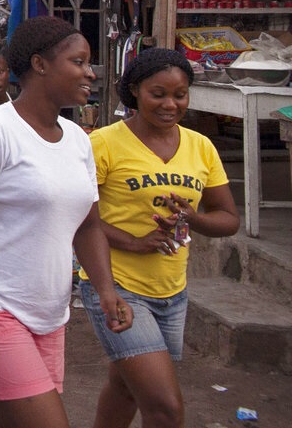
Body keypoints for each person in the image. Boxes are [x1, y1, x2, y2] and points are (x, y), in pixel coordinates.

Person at [0, 16, 131, 428]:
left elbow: (89, 225)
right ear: (40, 65)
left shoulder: (77, 138)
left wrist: (107, 290)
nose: (90, 73)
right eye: (78, 62)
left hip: (50, 314)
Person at [80, 48, 239, 428]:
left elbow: (228, 218)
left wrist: (192, 216)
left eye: (180, 94)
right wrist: (132, 241)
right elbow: (80, 218)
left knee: (125, 387)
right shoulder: (102, 144)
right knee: (165, 408)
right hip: (118, 286)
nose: (171, 104)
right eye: (158, 94)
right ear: (135, 91)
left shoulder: (201, 147)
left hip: (172, 290)